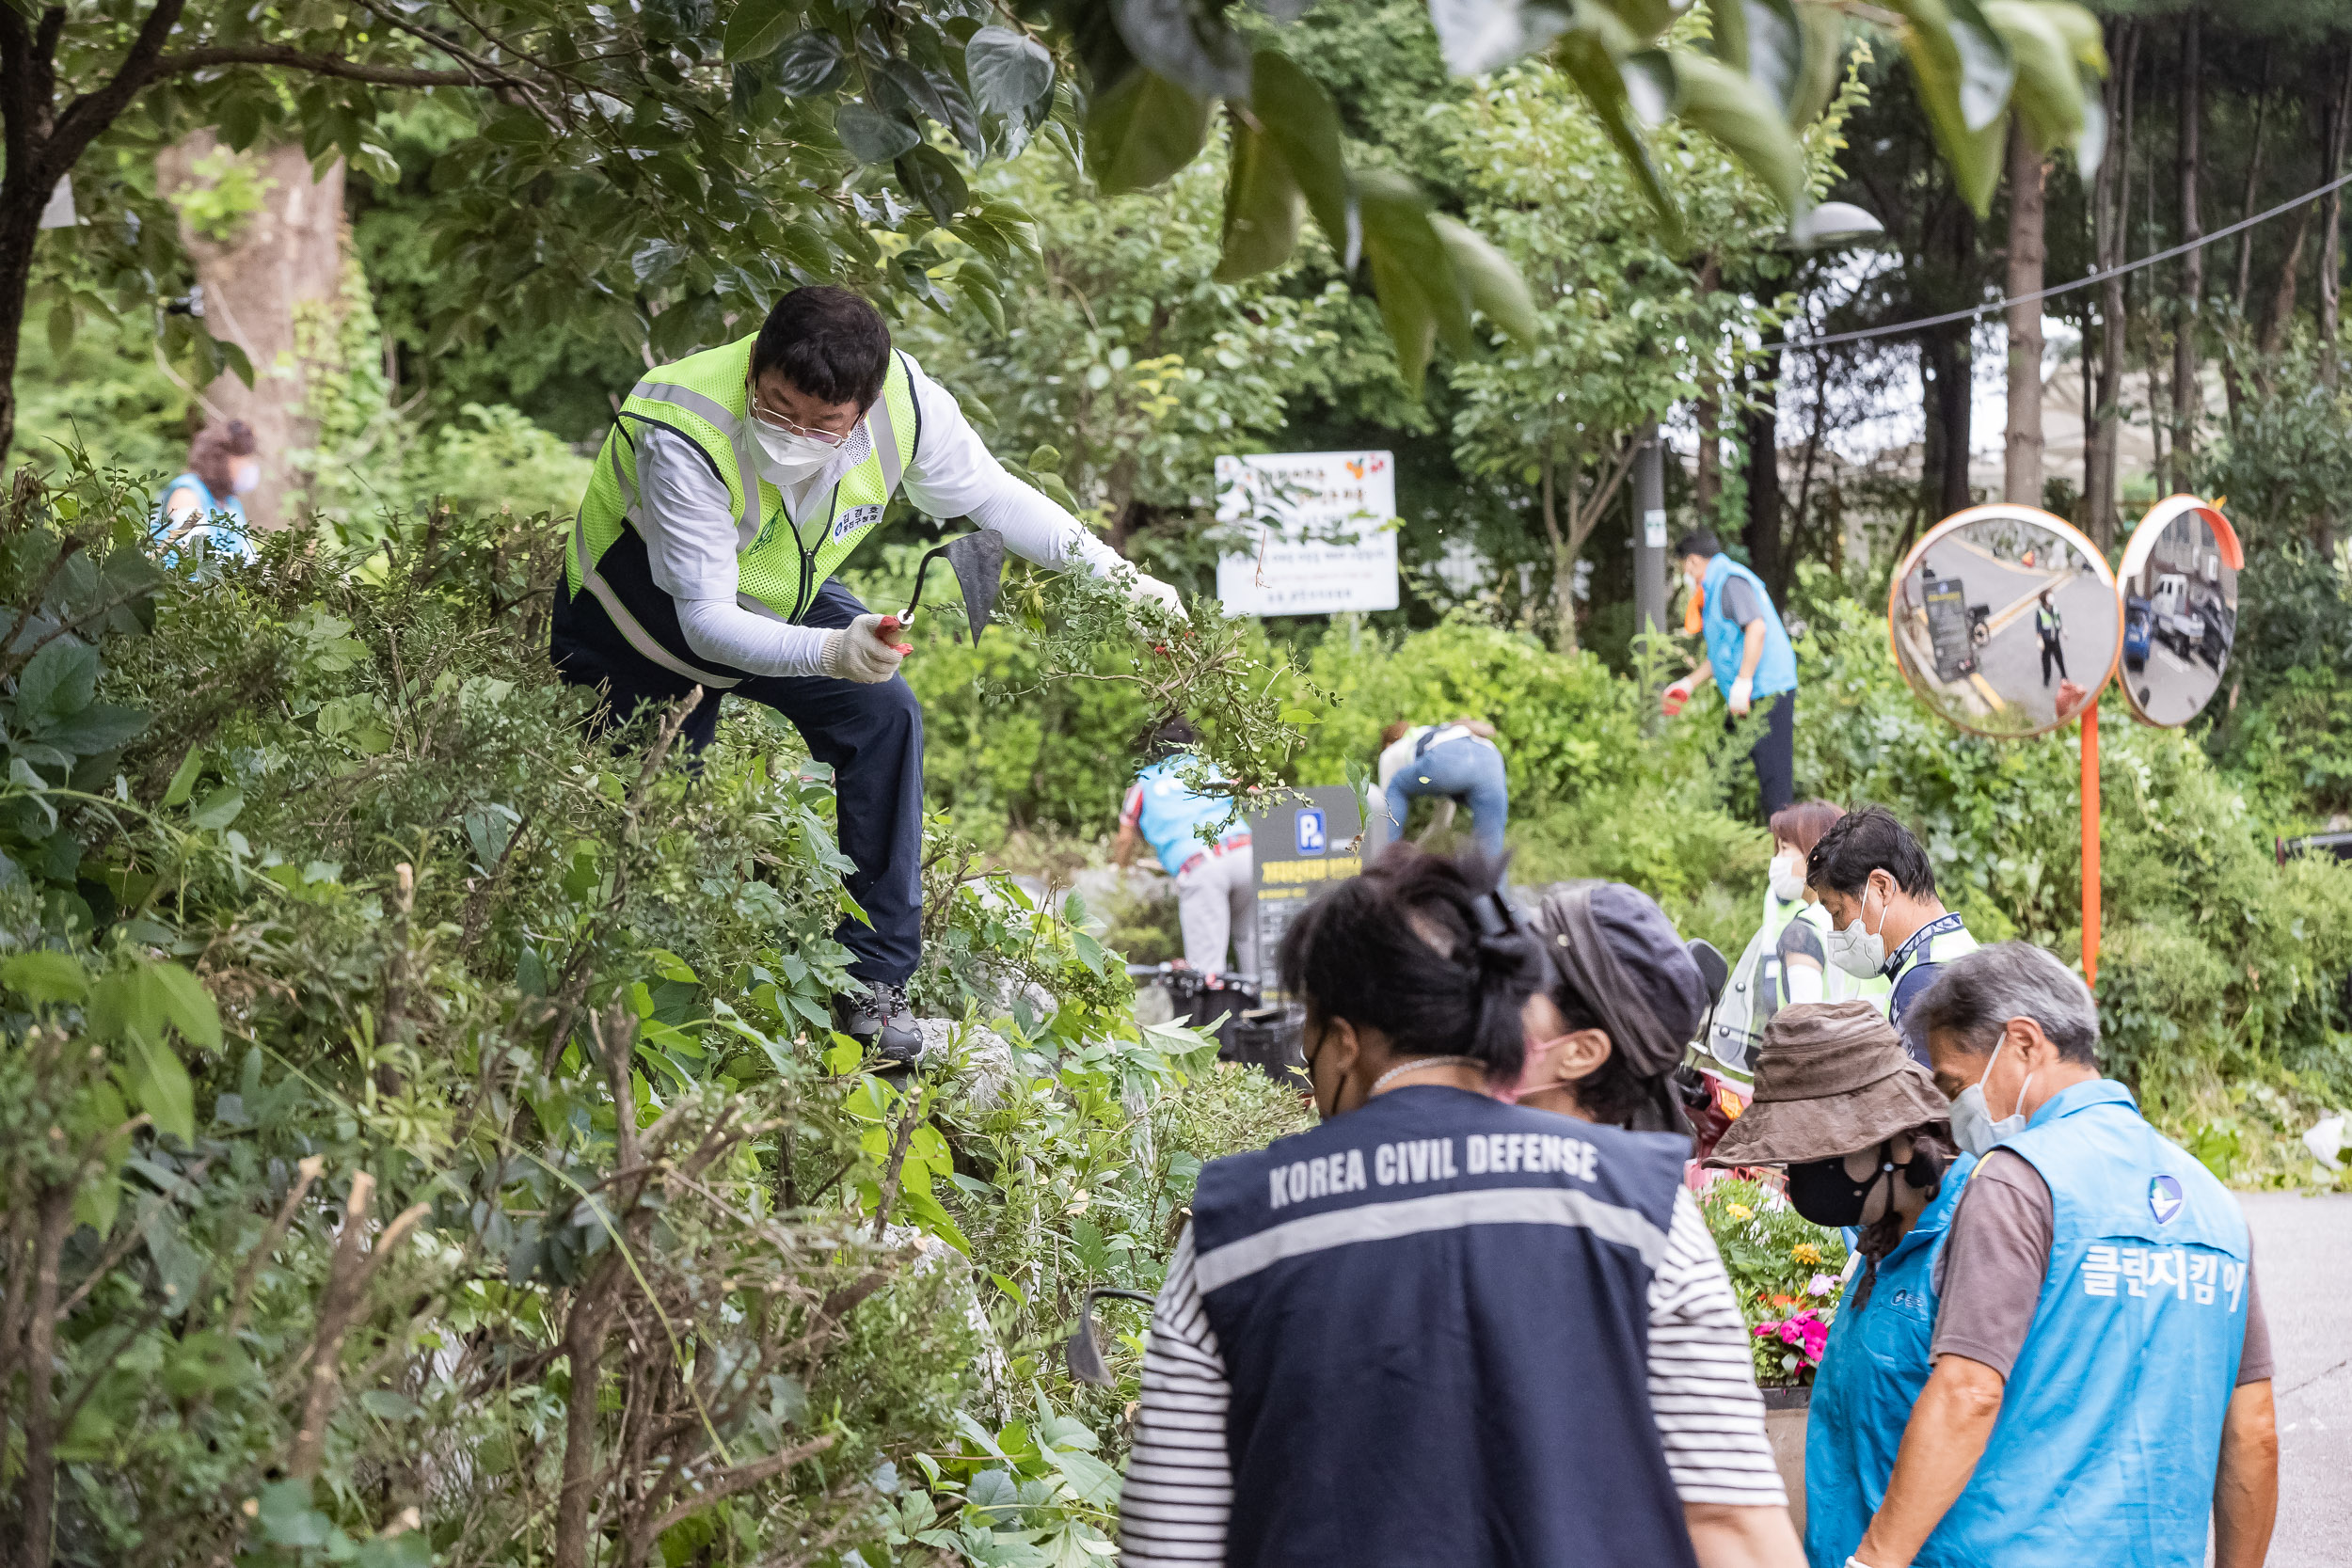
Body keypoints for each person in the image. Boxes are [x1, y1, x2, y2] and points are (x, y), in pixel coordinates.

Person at [1117, 847, 1804, 1568]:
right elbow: (1734, 1529)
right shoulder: (1645, 1208)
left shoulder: (1232, 1234)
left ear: (1343, 1040)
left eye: (1310, 1038)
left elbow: (1170, 1548)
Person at [555, 287, 1180, 1063]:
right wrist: (829, 652)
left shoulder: (908, 407)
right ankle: (615, 1030)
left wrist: (1128, 585)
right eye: (778, 407)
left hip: (781, 588)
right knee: (637, 835)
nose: (795, 434)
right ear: (754, 366)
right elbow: (704, 622)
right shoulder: (682, 426)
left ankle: (872, 984)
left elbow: (1000, 501)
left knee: (885, 712)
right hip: (636, 623)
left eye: (824, 423)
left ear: (865, 405)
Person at [1844, 944, 2276, 1568]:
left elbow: (1968, 1391)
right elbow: (2253, 1428)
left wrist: (1873, 1560)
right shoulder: (2212, 1201)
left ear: (2023, 1042)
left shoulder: (2017, 1180)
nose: (1953, 1114)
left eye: (1956, 1085)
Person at [1704, 1002, 1975, 1568]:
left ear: (1898, 1144)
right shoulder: (1880, 1232)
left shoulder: (1975, 1238)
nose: (1804, 1177)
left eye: (1820, 1155)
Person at [1804, 806, 1976, 1065]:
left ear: (1881, 887)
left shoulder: (1923, 979)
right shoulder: (1958, 948)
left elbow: (1921, 1101)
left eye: (1837, 912)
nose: (1836, 931)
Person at [1663, 531, 1799, 822]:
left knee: (1774, 783)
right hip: (1747, 694)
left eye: (1682, 567)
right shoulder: (1714, 589)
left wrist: (1744, 680)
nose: (1684, 575)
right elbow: (1724, 652)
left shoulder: (1730, 582)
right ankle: (1718, 838)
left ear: (1694, 562)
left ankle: (1789, 857)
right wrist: (1688, 683)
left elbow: (1757, 629)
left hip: (1768, 692)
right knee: (1721, 764)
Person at [1115, 717, 1255, 976]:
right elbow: (1253, 792)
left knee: (1207, 971)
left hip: (1202, 865)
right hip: (1247, 853)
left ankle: (1219, 1014)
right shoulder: (1210, 768)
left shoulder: (1144, 783)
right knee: (1254, 950)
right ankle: (1266, 1007)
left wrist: (1120, 873)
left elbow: (1125, 837)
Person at [1373, 717, 1508, 856]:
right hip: (1490, 758)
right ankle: (1494, 875)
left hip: (1447, 759)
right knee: (1491, 840)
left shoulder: (1391, 751)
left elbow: (1386, 808)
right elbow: (1443, 814)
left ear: (1388, 744)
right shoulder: (1434, 731)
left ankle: (1386, 859)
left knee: (1396, 786)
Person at [157, 420, 261, 557]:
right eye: (243, 460)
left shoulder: (231, 503)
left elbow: (249, 556)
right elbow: (194, 558)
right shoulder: (187, 493)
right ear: (220, 458)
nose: (248, 467)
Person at [2034, 590, 2065, 687]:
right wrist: (2040, 639)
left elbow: (2058, 620)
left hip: (2055, 639)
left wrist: (2063, 630)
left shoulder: (2055, 608)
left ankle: (2064, 675)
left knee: (2059, 658)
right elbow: (2038, 626)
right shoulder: (2040, 611)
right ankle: (2046, 679)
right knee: (2046, 661)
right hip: (2046, 641)